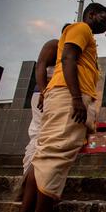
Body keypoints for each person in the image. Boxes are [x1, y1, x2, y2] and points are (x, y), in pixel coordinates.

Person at [8, 3, 106, 212]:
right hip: (68, 97)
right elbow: (68, 58)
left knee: (44, 157)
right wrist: (76, 98)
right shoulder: (81, 28)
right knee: (54, 158)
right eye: (105, 17)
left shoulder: (85, 37)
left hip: (63, 95)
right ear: (92, 14)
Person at [22, 23, 70, 181]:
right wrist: (44, 92)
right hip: (45, 94)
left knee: (53, 138)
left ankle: (44, 180)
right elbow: (40, 66)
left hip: (60, 96)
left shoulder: (72, 52)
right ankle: (27, 177)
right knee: (39, 134)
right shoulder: (54, 45)